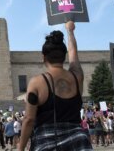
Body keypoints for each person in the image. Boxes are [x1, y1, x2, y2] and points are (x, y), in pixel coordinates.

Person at [18, 22, 92, 151]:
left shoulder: (36, 82)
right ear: (64, 57)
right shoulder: (77, 76)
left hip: (47, 142)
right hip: (79, 142)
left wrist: (20, 148)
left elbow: (29, 119)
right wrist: (70, 31)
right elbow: (73, 53)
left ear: (43, 57)